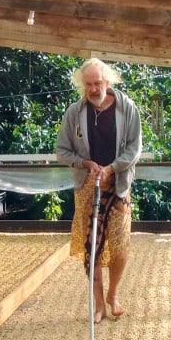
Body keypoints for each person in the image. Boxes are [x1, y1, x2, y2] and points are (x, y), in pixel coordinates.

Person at [56, 58, 142, 323]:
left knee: (120, 244)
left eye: (98, 83)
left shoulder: (127, 108)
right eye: (88, 84)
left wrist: (112, 168)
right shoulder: (74, 112)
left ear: (108, 82)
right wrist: (86, 164)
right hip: (88, 186)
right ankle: (98, 304)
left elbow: (134, 149)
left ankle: (113, 295)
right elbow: (62, 151)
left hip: (118, 186)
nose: (93, 89)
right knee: (91, 246)